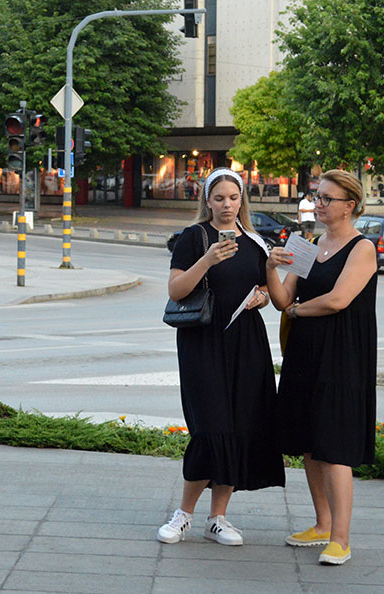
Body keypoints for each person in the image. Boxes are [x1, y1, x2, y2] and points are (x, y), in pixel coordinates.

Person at [157, 167, 285, 547]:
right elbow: (177, 290)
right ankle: (184, 515)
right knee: (210, 428)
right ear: (207, 201)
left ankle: (219, 516)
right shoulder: (193, 238)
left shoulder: (256, 243)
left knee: (240, 426)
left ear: (242, 199)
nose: (227, 205)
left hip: (247, 343)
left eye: (233, 198)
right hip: (203, 343)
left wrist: (262, 295)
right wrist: (208, 260)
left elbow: (267, 292)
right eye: (219, 198)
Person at [267, 170, 377, 566]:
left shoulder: (362, 248)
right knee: (310, 444)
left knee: (334, 446)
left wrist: (298, 309)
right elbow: (281, 299)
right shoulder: (308, 244)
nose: (319, 203)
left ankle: (341, 539)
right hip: (305, 353)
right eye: (317, 196)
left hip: (342, 356)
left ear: (350, 205)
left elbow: (338, 300)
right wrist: (270, 267)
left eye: (327, 198)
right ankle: (322, 525)